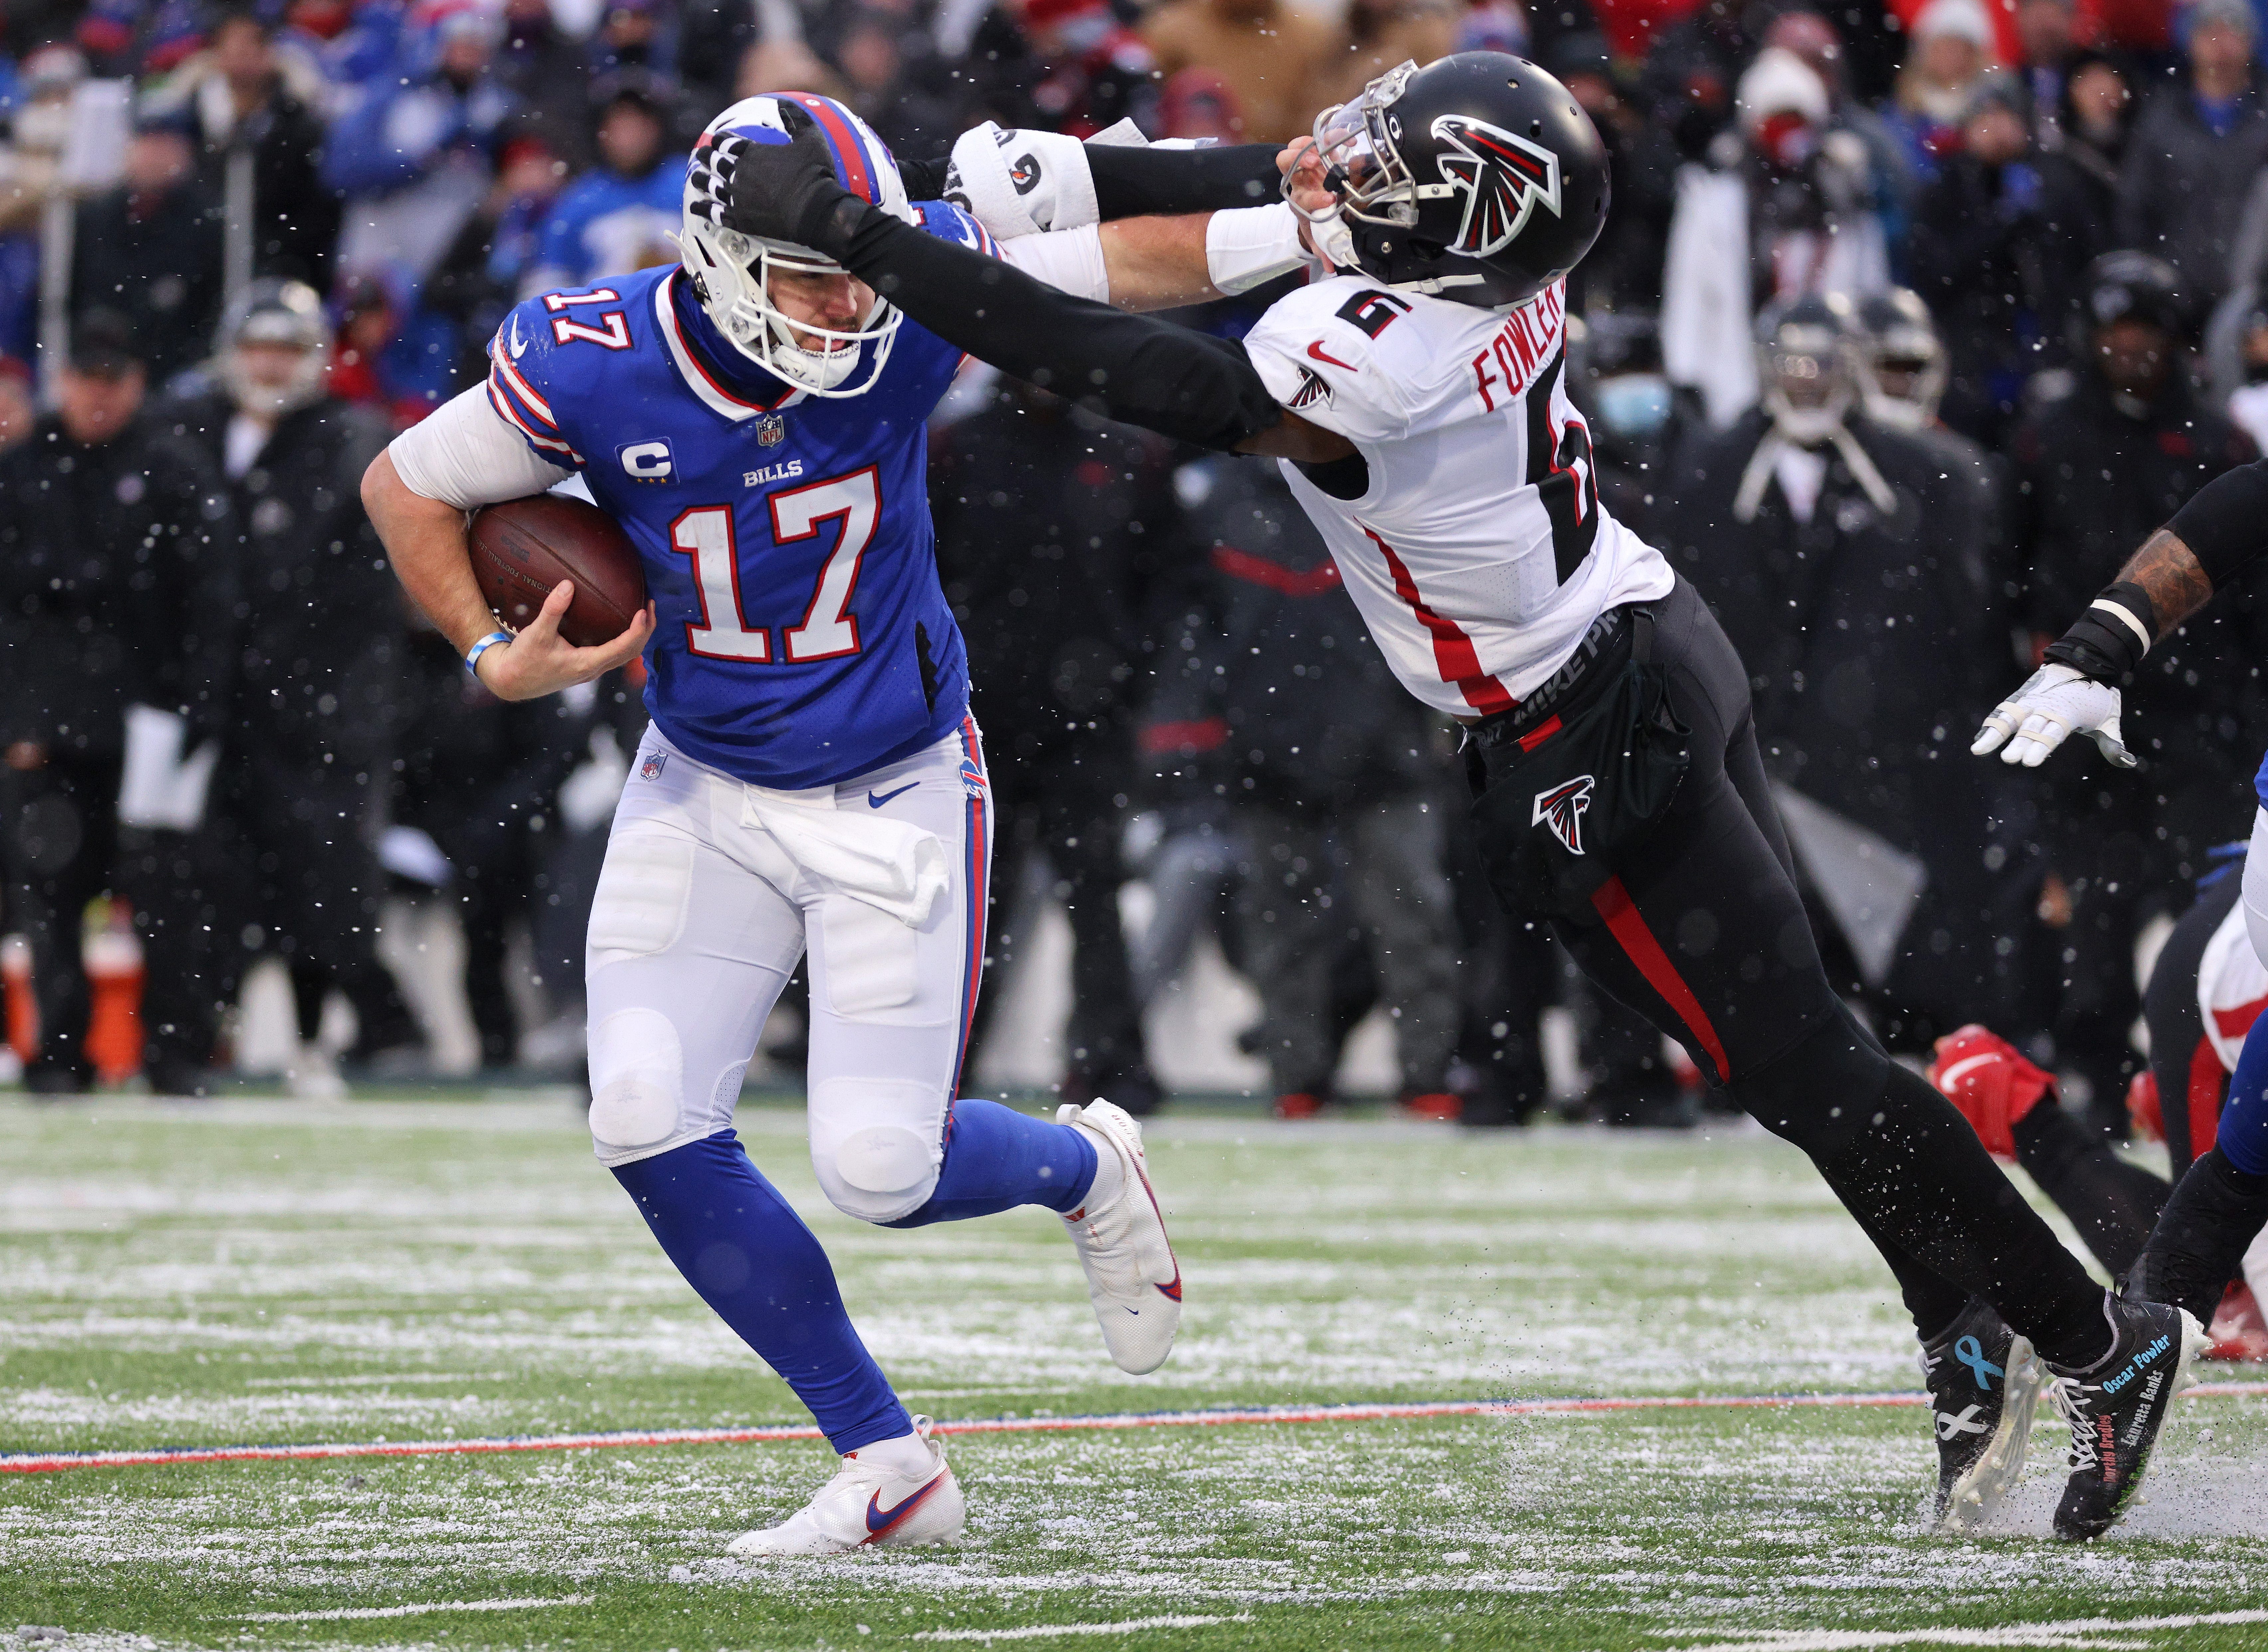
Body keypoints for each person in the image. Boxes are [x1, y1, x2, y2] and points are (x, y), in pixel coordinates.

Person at [719, 51, 2202, 1542]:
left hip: (1585, 724)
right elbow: (1236, 219)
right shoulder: (1473, 275)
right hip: (1644, 630)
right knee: (1801, 1054)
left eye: (1399, 161)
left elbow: (1139, 364)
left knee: (1803, 1066)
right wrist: (1015, 201)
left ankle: (2092, 1341)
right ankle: (1962, 1326)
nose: (1361, 165)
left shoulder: (1377, 354)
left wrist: (882, 246)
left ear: (1468, 213)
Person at [357, 91, 1318, 1554]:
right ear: (720, 256)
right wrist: (494, 656)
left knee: (886, 1169)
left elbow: (1128, 264)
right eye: (815, 277)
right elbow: (406, 486)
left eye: (863, 272)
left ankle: (1084, 1166)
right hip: (705, 783)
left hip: (896, 780)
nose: (853, 305)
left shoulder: (903, 283)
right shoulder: (592, 360)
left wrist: (1291, 229)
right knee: (640, 1113)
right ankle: (888, 1460)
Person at [1972, 440, 2268, 1380]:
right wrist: (2102, 641)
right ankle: (2027, 1121)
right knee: (2212, 1293)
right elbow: (2247, 503)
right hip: (2225, 968)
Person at [2006, 251, 2261, 1126]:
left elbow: (2246, 576)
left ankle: (2212, 1072)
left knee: (2222, 899)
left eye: (2143, 332)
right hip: (2091, 702)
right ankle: (2096, 1074)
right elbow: (2009, 562)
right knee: (2097, 908)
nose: (2128, 349)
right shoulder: (2049, 433)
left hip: (2196, 709)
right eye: (2114, 331)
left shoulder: (2216, 440)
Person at [162, 279, 424, 1082]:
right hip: (220, 704)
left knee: (325, 880)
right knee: (211, 878)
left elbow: (348, 590)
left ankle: (336, 1033)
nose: (270, 365)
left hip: (319, 705)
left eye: (286, 348)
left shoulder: (348, 442)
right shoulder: (191, 435)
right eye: (258, 347)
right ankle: (208, 1033)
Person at [0, 313, 239, 1095]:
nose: (99, 396)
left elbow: (210, 599)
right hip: (50, 723)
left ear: (137, 384)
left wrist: (201, 705)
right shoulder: (21, 471)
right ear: (64, 380)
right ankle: (60, 1056)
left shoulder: (174, 469)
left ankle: (174, 1053)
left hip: (151, 719)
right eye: (87, 378)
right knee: (52, 891)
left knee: (165, 894)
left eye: (114, 380)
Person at [929, 377, 1173, 1114]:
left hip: (1088, 720)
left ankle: (1111, 1068)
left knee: (1094, 894)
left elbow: (1168, 581)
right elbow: (919, 576)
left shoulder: (1125, 453)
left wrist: (1128, 664)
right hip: (981, 720)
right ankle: (945, 1061)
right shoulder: (960, 452)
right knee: (974, 902)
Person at [2115, 0, 2268, 315]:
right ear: (2191, 42)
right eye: (2210, 32)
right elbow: (2136, 209)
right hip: (2176, 299)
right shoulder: (2160, 117)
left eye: (2232, 32)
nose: (2221, 44)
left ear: (2251, 42)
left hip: (2258, 302)